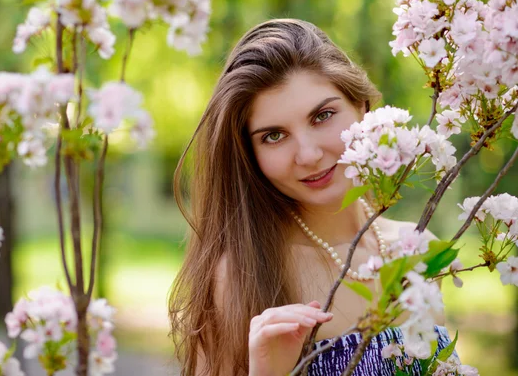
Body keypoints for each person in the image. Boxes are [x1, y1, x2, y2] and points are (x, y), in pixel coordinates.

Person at [168, 19, 452, 376]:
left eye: (323, 116)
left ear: (363, 108)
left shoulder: (421, 250)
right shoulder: (244, 272)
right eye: (274, 136)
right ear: (249, 154)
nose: (308, 154)